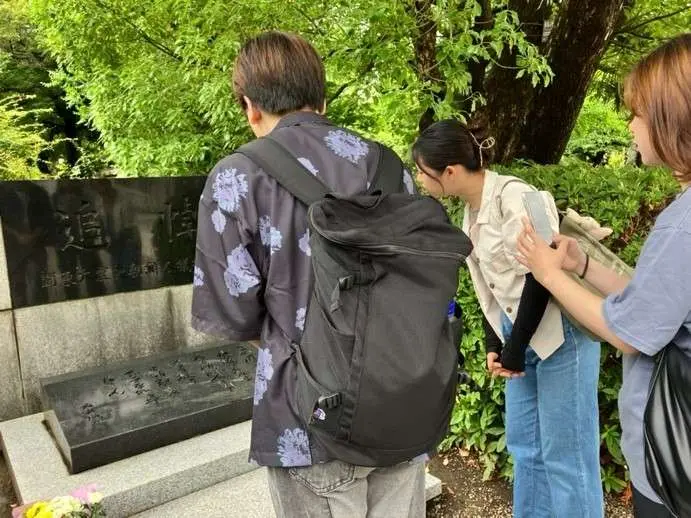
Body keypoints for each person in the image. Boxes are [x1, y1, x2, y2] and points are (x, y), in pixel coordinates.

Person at [190, 31, 424, 518]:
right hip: (400, 404)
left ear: (249, 106)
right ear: (322, 98)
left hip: (309, 419)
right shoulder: (390, 167)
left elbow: (233, 313)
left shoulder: (236, 178)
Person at [516, 33, 691, 518]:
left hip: (672, 463)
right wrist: (583, 266)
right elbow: (658, 306)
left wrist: (550, 275)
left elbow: (629, 333)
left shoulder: (683, 223)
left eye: (638, 113)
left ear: (672, 116)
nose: (630, 126)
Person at [412, 120, 604, 518]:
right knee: (526, 448)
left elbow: (544, 274)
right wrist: (496, 344)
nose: (419, 179)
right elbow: (492, 287)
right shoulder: (470, 213)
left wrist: (514, 348)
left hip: (559, 335)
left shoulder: (518, 196)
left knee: (566, 457)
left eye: (422, 171)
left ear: (450, 172)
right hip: (518, 335)